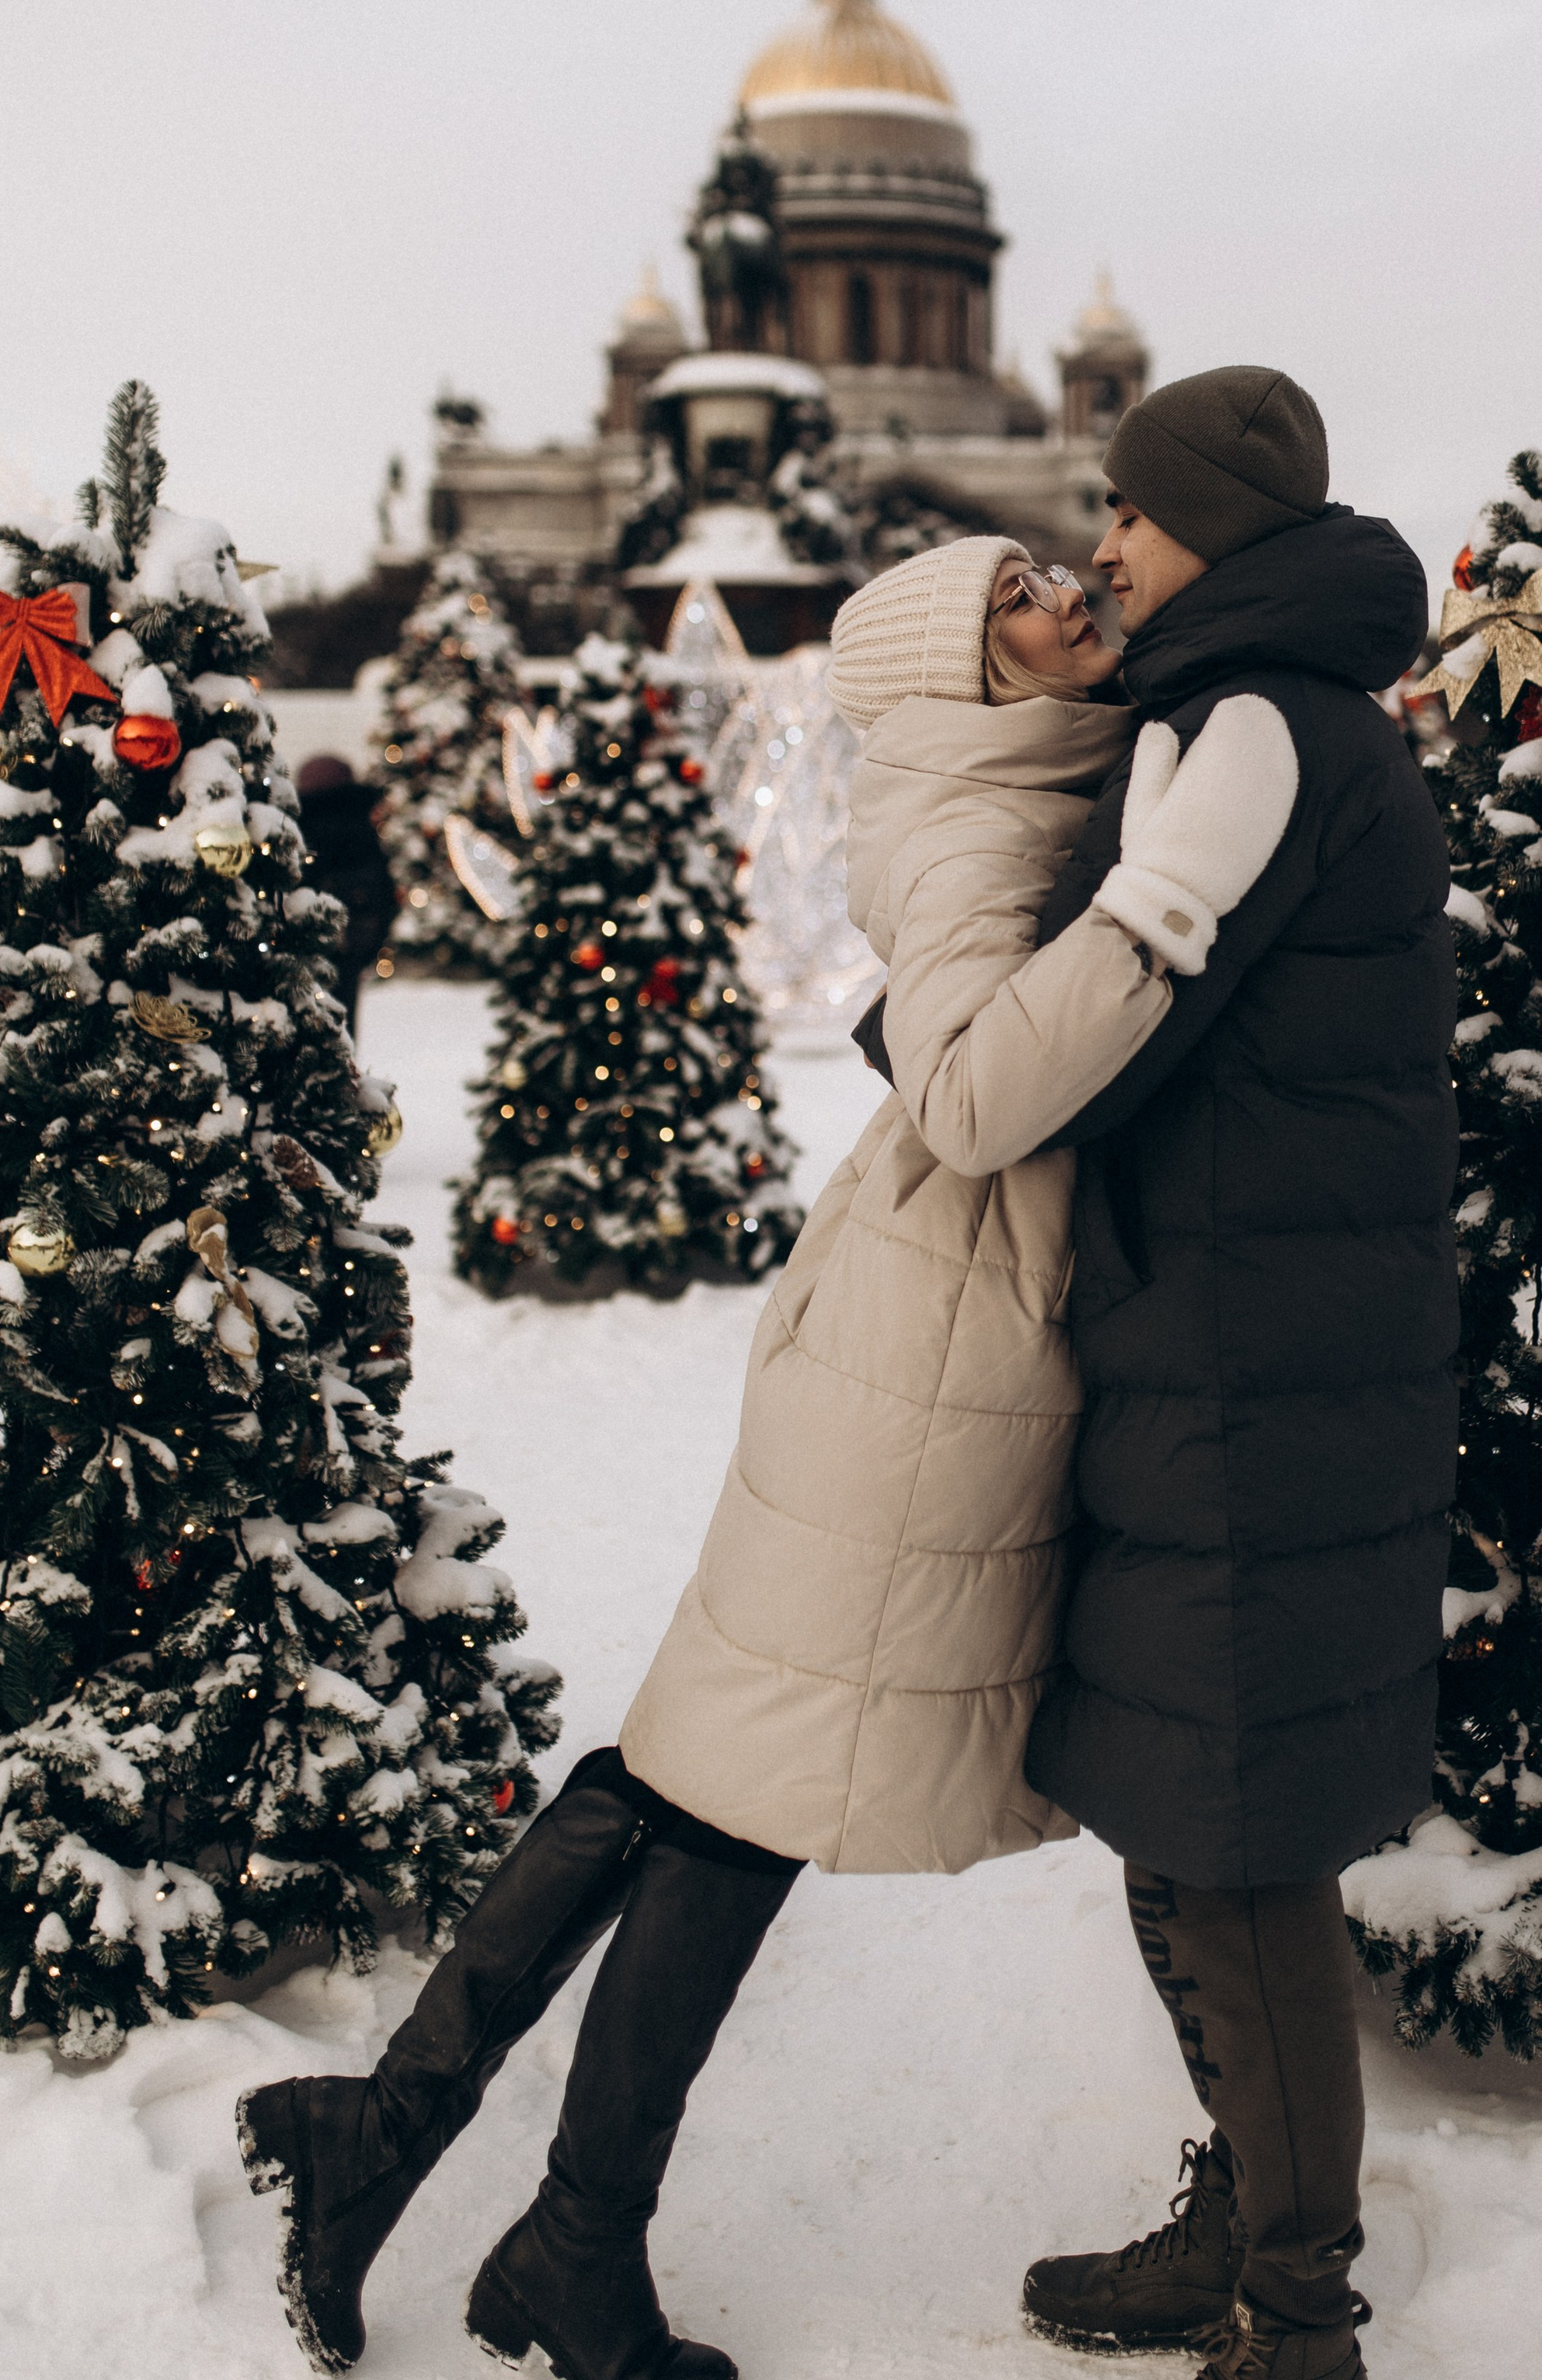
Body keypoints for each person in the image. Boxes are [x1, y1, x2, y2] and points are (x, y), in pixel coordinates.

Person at [237, 535, 1301, 2380]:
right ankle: (545, 2232)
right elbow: (972, 1089)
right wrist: (1155, 911)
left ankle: (406, 2150)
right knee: (745, 1787)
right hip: (925, 1357)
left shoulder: (1039, 766)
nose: (1070, 596)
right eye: (1021, 598)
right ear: (965, 671)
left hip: (913, 1336)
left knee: (700, 1763)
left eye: (1057, 570)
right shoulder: (974, 808)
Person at [1017, 368, 1460, 2380]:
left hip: (1252, 1354)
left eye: (1130, 510)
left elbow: (1124, 995)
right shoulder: (1252, 707)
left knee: (1237, 1841)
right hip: (1226, 1328)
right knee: (1187, 1816)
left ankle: (1298, 2313)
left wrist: (944, 1063)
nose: (1103, 545)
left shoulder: (1260, 722)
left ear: (1219, 524)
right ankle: (1248, 2220)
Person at [293, 754, 395, 1040]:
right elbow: (383, 890)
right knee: (341, 1026)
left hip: (312, 940)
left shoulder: (304, 826)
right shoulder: (362, 825)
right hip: (351, 941)